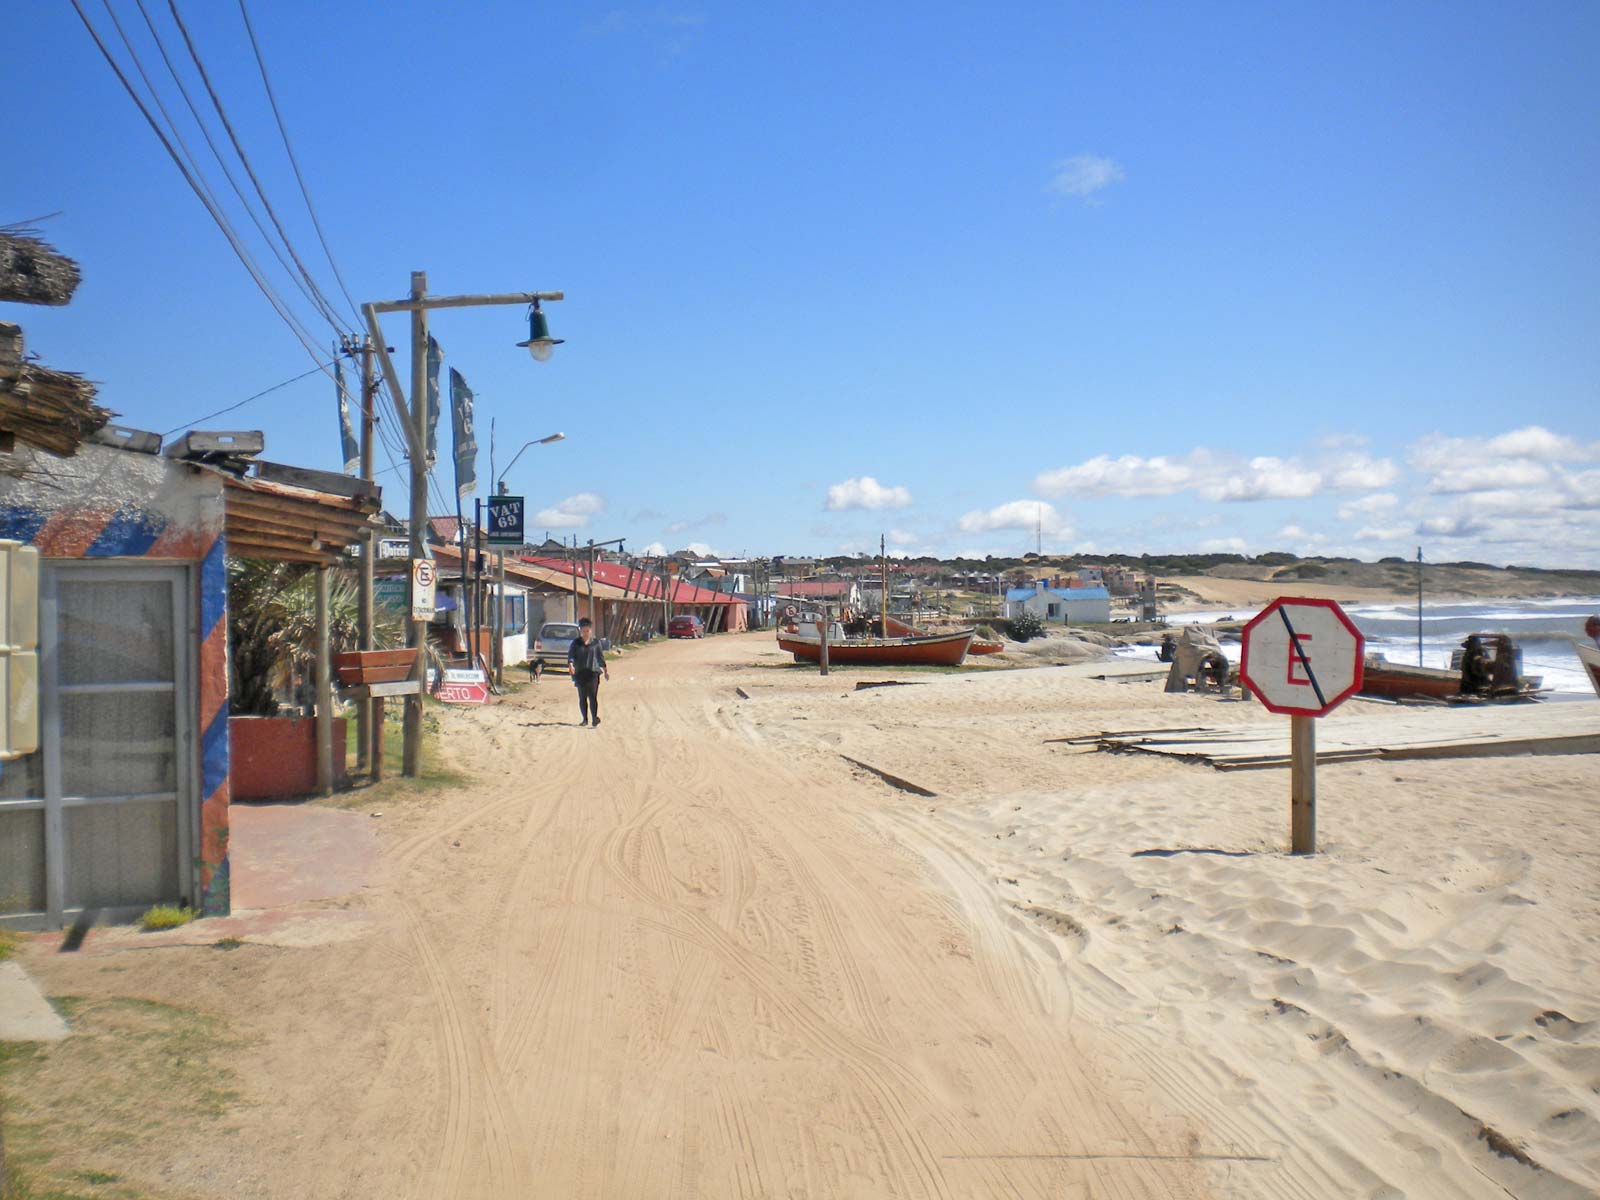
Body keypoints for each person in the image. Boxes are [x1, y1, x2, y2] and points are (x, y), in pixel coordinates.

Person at [568, 617, 609, 727]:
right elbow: (571, 655)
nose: (585, 633)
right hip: (580, 673)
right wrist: (571, 665)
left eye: (587, 630)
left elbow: (600, 657)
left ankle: (594, 718)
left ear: (591, 630)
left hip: (593, 673)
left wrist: (605, 670)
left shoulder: (596, 643)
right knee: (582, 697)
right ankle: (585, 719)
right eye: (583, 631)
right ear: (580, 630)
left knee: (593, 696)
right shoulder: (576, 643)